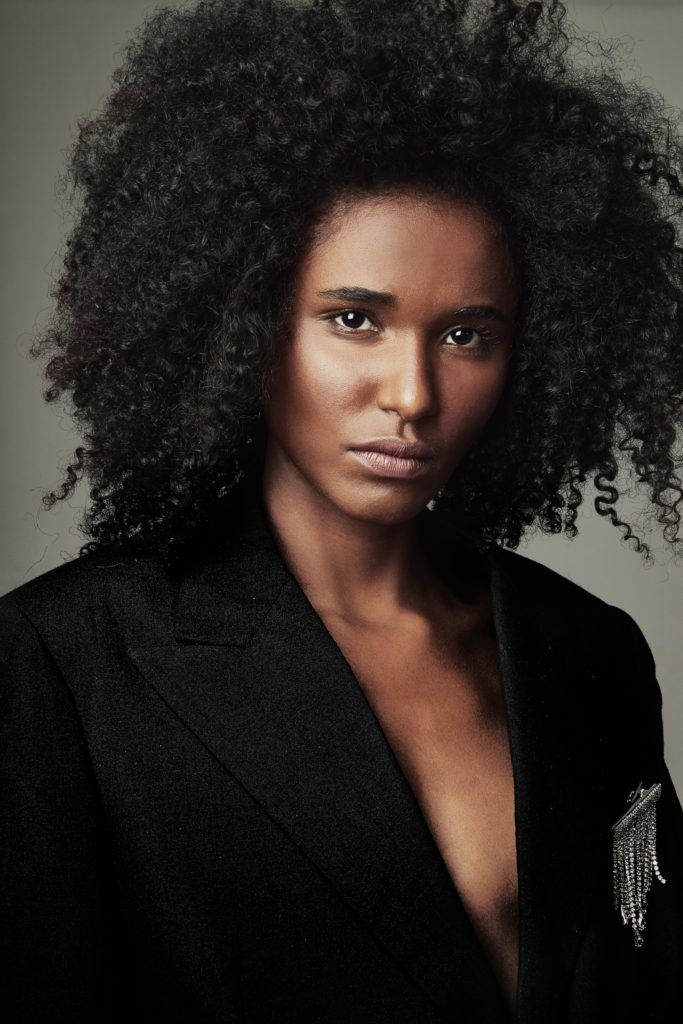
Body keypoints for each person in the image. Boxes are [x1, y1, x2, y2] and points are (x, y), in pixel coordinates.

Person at [1, 0, 682, 1020]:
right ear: (243, 324)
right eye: (354, 319)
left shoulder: (586, 648)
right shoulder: (69, 662)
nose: (412, 393)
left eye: (466, 334)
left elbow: (645, 960)